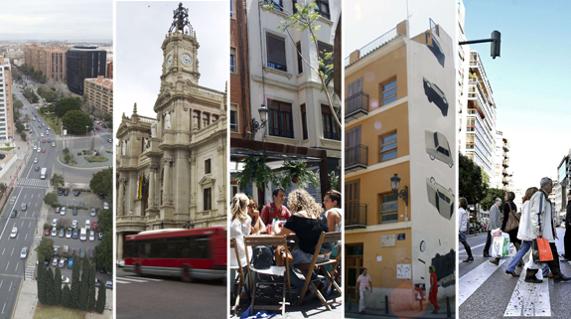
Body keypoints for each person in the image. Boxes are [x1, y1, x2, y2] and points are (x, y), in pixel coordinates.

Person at [528, 177, 571, 283]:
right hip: (543, 234)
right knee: (540, 256)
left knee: (552, 255)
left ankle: (557, 275)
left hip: (546, 234)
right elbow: (537, 213)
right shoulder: (540, 195)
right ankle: (530, 275)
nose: (552, 187)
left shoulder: (543, 196)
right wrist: (538, 230)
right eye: (551, 185)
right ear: (546, 185)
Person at [278, 189, 327, 268]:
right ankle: (311, 278)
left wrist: (276, 230)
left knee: (285, 253)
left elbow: (279, 237)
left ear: (293, 203)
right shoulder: (319, 216)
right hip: (325, 256)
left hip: (309, 257)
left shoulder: (297, 217)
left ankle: (287, 279)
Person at [505, 187, 538, 278]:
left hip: (525, 232)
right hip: (531, 232)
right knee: (538, 251)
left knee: (522, 250)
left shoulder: (525, 204)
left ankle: (510, 268)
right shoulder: (531, 204)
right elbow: (532, 220)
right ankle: (545, 270)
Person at [229, 193, 251, 297]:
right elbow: (246, 237)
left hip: (229, 258)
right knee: (255, 258)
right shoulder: (246, 219)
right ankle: (245, 289)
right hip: (241, 258)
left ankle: (231, 289)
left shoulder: (228, 218)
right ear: (245, 206)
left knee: (232, 263)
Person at [491, 192, 520, 265]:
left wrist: (502, 228)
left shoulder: (507, 205)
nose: (504, 197)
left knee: (503, 244)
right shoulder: (514, 205)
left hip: (508, 228)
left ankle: (497, 259)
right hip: (515, 227)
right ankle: (520, 260)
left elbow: (506, 218)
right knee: (516, 244)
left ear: (509, 197)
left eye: (505, 195)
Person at [458, 197, 474, 263]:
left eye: (458, 202)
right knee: (464, 243)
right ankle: (470, 256)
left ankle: (470, 256)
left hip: (460, 230)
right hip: (462, 229)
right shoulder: (464, 211)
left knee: (464, 243)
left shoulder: (460, 211)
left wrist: (457, 231)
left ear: (461, 203)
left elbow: (459, 221)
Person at [564, 190, 571, 261]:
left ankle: (568, 256)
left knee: (567, 240)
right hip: (568, 225)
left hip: (570, 225)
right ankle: (567, 255)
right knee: (566, 240)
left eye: (569, 195)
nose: (568, 196)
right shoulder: (569, 204)